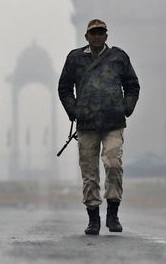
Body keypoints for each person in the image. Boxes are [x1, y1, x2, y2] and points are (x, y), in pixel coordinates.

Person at [57, 19, 140, 235]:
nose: (97, 36)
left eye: (101, 33)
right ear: (86, 36)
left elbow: (132, 84)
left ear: (106, 35)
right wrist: (74, 111)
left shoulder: (118, 57)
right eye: (93, 33)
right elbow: (64, 87)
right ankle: (93, 216)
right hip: (87, 124)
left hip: (113, 122)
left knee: (113, 164)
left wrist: (126, 107)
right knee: (89, 172)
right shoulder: (75, 58)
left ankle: (112, 212)